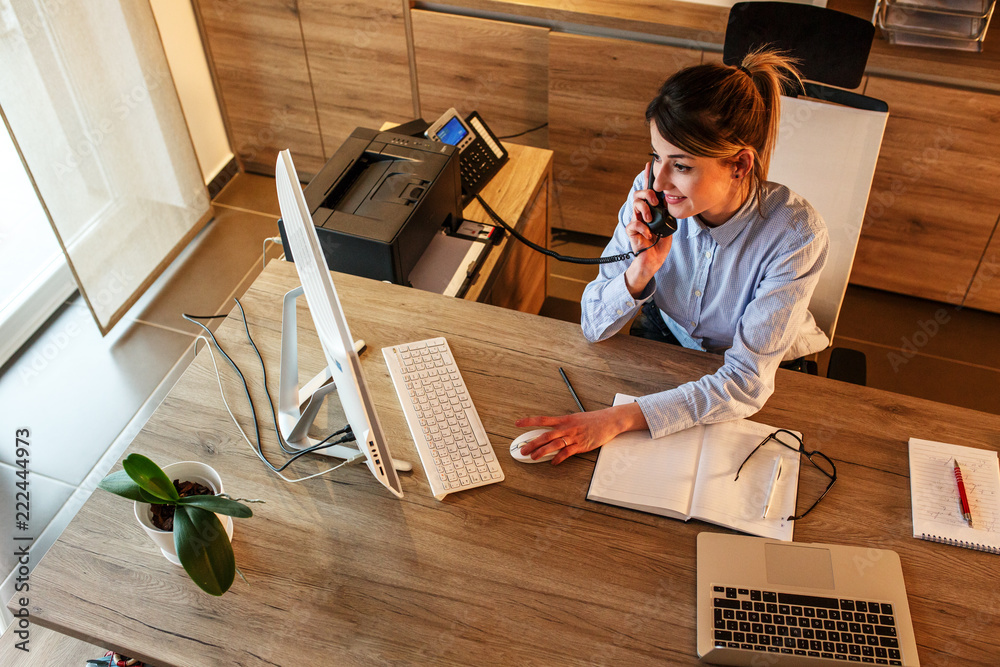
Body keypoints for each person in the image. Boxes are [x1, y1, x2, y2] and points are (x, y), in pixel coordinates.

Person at [517, 49, 830, 464]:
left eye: (680, 165)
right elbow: (594, 326)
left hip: (758, 368)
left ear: (739, 165)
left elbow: (745, 382)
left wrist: (618, 419)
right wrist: (641, 269)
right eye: (656, 157)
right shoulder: (650, 194)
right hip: (671, 339)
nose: (660, 180)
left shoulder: (794, 234)